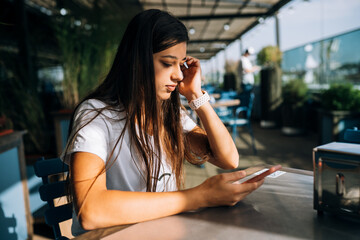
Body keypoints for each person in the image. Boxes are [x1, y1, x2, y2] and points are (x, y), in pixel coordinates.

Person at [61, 9, 264, 236]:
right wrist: (199, 196)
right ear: (137, 62)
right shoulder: (96, 115)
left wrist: (196, 96)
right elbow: (91, 211)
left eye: (181, 64)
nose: (178, 75)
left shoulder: (169, 113)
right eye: (168, 63)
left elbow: (229, 159)